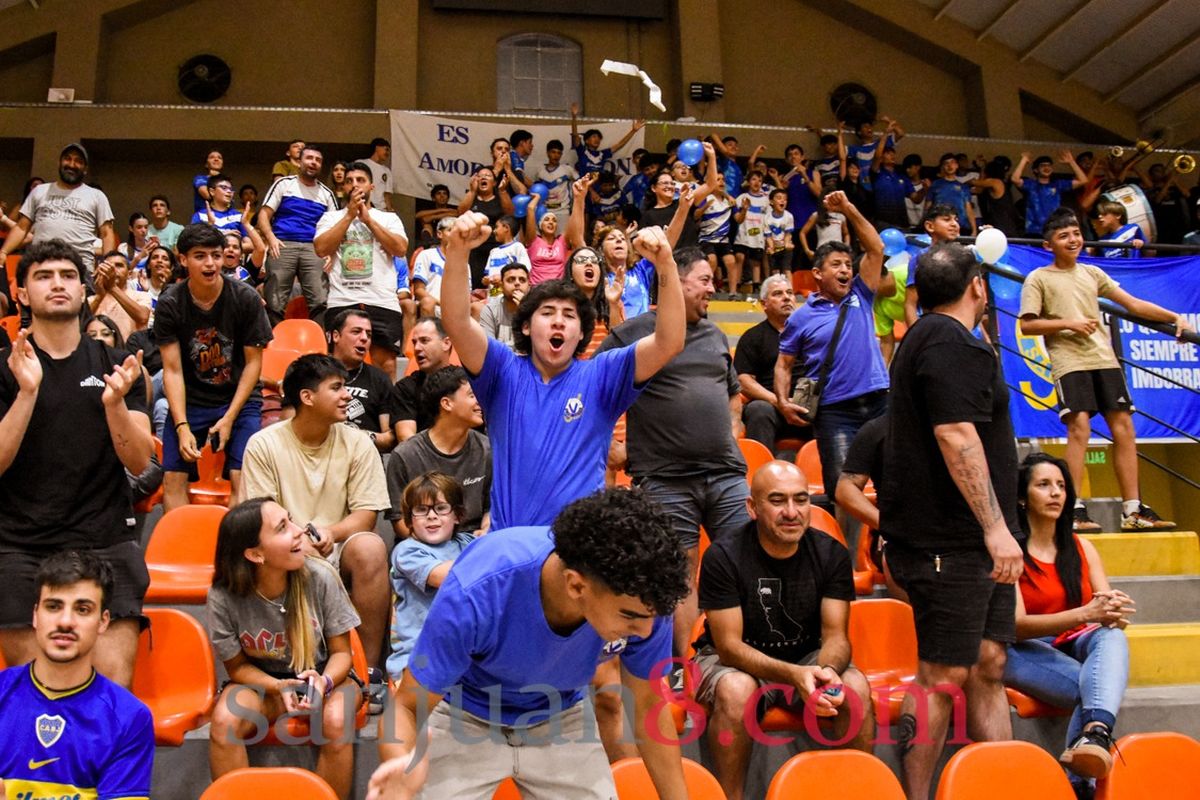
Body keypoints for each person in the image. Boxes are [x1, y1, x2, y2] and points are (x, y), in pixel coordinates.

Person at [369, 488, 692, 800]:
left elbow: (648, 705)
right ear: (576, 586)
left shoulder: (646, 598)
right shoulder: (480, 587)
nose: (645, 632)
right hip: (464, 711)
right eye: (630, 617)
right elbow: (406, 708)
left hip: (561, 712)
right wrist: (402, 769)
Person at [879, 242, 1023, 800]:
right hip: (952, 541)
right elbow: (955, 434)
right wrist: (995, 527)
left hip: (968, 542)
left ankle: (1001, 786)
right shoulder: (947, 340)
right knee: (941, 677)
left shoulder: (933, 336)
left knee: (989, 662)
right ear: (978, 287)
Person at [441, 210, 685, 531]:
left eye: (569, 316)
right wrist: (458, 252)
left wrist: (666, 265)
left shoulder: (601, 375)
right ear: (526, 327)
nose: (558, 321)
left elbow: (669, 341)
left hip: (577, 547)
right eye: (547, 313)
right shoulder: (501, 370)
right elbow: (457, 322)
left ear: (581, 333)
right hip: (512, 543)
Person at [0, 239, 153, 688]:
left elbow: (139, 459)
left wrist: (115, 405)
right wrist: (27, 393)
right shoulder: (5, 369)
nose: (58, 284)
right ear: (22, 293)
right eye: (43, 276)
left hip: (105, 538)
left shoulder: (117, 365)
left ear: (83, 289)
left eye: (68, 275)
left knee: (110, 691)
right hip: (19, 544)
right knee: (38, 693)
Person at [598, 245, 750, 652]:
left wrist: (731, 430)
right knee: (680, 574)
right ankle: (683, 667)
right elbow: (590, 389)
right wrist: (609, 443)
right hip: (665, 479)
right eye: (705, 280)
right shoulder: (633, 333)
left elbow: (733, 394)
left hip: (726, 474)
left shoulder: (715, 334)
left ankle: (742, 656)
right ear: (675, 282)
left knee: (744, 563)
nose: (712, 289)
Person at [696, 461, 873, 800]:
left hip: (807, 658)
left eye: (801, 500)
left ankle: (854, 792)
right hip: (733, 662)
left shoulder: (831, 553)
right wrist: (795, 675)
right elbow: (729, 647)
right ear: (752, 507)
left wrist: (826, 671)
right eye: (777, 501)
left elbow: (836, 636)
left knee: (854, 687)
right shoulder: (724, 555)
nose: (792, 512)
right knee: (736, 690)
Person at [1019, 208, 1190, 531]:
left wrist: (1174, 317)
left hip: (1104, 359)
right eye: (1064, 236)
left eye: (1076, 234)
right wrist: (1069, 323)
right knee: (1080, 427)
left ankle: (1133, 510)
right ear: (1048, 245)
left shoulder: (1092, 272)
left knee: (1123, 427)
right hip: (1070, 362)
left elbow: (1133, 304)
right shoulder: (1038, 278)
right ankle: (1073, 508)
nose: (1073, 240)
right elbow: (1027, 325)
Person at [240, 353, 391, 670]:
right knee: (288, 552)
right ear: (307, 397)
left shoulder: (359, 443)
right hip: (286, 544)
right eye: (336, 388)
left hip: (338, 544)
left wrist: (330, 533)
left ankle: (368, 671)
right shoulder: (263, 444)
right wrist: (299, 540)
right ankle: (293, 668)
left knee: (371, 547)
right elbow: (261, 518)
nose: (347, 395)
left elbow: (366, 515)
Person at [206, 498, 361, 800]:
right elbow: (237, 668)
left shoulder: (320, 576)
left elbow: (343, 654)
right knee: (224, 722)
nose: (299, 530)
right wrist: (279, 686)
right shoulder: (222, 596)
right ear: (255, 554)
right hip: (265, 684)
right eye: (282, 528)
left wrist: (323, 682)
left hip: (327, 678)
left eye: (290, 520)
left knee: (336, 721)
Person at [1003, 453, 1132, 796]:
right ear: (1022, 497)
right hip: (1023, 649)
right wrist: (1087, 614)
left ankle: (1094, 736)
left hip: (1074, 643)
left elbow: (1102, 611)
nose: (1056, 493)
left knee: (1112, 636)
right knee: (1096, 689)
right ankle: (1081, 784)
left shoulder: (1082, 548)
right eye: (1044, 485)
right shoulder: (1009, 550)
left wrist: (1113, 612)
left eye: (1061, 486)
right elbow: (1015, 626)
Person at [774, 192, 888, 552]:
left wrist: (849, 209)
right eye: (836, 264)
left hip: (880, 404)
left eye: (848, 264)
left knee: (896, 481)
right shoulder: (800, 318)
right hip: (835, 413)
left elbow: (876, 248)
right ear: (817, 274)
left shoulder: (861, 295)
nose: (845, 270)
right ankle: (848, 562)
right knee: (843, 490)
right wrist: (782, 401)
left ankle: (891, 549)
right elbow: (784, 364)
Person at [0, 550, 154, 799]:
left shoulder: (129, 717)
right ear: (35, 615)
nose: (65, 622)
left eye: (82, 609)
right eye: (53, 607)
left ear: (103, 621)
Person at [155, 223, 273, 512]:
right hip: (191, 399)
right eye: (200, 256)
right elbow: (172, 370)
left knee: (242, 479)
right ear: (183, 259)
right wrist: (181, 426)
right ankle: (181, 539)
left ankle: (232, 541)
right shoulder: (170, 303)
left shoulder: (245, 298)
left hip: (239, 400)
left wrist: (230, 417)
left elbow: (253, 364)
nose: (210, 263)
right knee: (172, 479)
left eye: (216, 255)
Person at [315, 160, 409, 379]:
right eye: (349, 181)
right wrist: (349, 215)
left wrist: (368, 221)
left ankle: (383, 403)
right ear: (343, 187)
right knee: (338, 368)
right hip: (342, 300)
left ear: (371, 187)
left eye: (361, 180)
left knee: (385, 367)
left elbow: (400, 249)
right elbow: (321, 249)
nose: (355, 185)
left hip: (382, 301)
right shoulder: (331, 217)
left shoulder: (389, 218)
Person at [385, 472, 476, 680]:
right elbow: (444, 577)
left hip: (463, 653)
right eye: (421, 510)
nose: (431, 516)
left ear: (457, 515)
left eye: (441, 508)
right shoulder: (406, 551)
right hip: (418, 656)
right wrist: (486, 560)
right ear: (409, 520)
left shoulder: (467, 543)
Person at [386, 366, 490, 540]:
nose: (481, 401)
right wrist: (433, 544)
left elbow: (491, 507)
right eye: (472, 395)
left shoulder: (487, 449)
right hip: (421, 543)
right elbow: (400, 521)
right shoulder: (405, 455)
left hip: (472, 539)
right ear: (446, 403)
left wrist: (486, 531)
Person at [0, 143, 116, 276]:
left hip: (79, 271)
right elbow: (22, 227)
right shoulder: (39, 191)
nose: (72, 164)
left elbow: (106, 233)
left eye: (78, 161)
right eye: (67, 159)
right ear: (59, 163)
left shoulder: (97, 196)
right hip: (40, 267)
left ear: (85, 169)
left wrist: (108, 264)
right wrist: (3, 252)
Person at [259, 144, 339, 325]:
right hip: (283, 244)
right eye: (309, 158)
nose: (313, 163)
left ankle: (319, 341)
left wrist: (330, 252)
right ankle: (274, 340)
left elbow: (335, 227)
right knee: (274, 301)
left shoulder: (327, 193)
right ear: (300, 162)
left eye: (318, 160)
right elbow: (264, 215)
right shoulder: (284, 184)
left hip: (315, 248)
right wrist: (271, 238)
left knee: (320, 300)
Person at [734, 274, 809, 451]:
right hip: (772, 407)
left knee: (834, 408)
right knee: (758, 410)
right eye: (778, 294)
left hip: (808, 405)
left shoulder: (812, 333)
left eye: (789, 292)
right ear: (764, 304)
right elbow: (743, 380)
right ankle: (760, 467)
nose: (786, 297)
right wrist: (780, 402)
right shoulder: (752, 337)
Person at [328, 309, 397, 452]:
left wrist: (362, 436)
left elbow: (390, 438)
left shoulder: (380, 379)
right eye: (356, 332)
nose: (364, 338)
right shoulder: (313, 373)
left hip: (363, 457)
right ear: (336, 336)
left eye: (369, 334)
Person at [392, 316, 455, 441]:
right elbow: (406, 439)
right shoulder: (405, 387)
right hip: (421, 453)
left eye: (424, 341)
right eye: (414, 342)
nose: (416, 348)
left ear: (446, 343)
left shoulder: (466, 384)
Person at [904, 203, 962, 327]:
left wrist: (985, 337)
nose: (954, 224)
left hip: (967, 329)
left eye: (956, 220)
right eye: (947, 219)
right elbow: (910, 304)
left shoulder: (965, 256)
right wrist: (917, 334)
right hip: (936, 328)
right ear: (930, 226)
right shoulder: (920, 259)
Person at [1013, 151, 1088, 236]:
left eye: (1049, 165)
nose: (1047, 167)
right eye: (1043, 165)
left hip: (1053, 230)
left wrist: (1071, 162)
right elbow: (1015, 179)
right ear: (1036, 170)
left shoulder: (1058, 184)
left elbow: (1083, 180)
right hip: (1033, 230)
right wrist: (1023, 160)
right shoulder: (1031, 184)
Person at [89, 250, 152, 339]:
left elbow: (143, 318)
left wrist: (112, 288)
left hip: (131, 347)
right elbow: (80, 324)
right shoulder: (92, 300)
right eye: (108, 266)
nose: (113, 269)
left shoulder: (142, 296)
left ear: (129, 274)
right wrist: (99, 297)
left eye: (119, 265)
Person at [569, 103, 645, 175]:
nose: (597, 139)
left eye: (599, 138)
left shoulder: (603, 154)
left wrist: (633, 131)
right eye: (594, 137)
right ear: (586, 141)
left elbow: (620, 144)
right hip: (584, 184)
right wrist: (574, 117)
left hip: (599, 184)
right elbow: (575, 135)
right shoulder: (582, 151)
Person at [528, 138, 577, 232]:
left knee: (563, 239)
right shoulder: (540, 170)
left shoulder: (567, 169)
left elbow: (580, 182)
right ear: (547, 153)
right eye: (553, 152)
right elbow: (535, 189)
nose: (556, 155)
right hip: (543, 210)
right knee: (542, 238)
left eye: (559, 153)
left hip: (562, 211)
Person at [411, 216, 455, 317]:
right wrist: (442, 304)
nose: (454, 235)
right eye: (450, 230)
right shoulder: (427, 255)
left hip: (454, 313)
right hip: (432, 307)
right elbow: (418, 290)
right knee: (428, 303)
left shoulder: (464, 264)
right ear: (439, 234)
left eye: (457, 233)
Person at [479, 261, 529, 348]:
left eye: (522, 280)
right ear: (501, 285)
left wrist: (525, 311)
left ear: (528, 286)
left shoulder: (536, 310)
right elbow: (489, 348)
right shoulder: (490, 310)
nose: (517, 283)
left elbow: (539, 345)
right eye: (511, 280)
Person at [522, 193, 568, 285]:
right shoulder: (533, 240)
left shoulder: (562, 241)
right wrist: (537, 198)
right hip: (537, 288)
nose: (551, 222)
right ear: (540, 226)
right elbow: (530, 209)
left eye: (554, 221)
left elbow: (575, 222)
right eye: (547, 220)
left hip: (558, 288)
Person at [927, 153, 977, 236]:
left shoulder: (963, 187)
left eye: (952, 162)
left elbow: (969, 209)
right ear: (943, 167)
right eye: (946, 163)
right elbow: (928, 207)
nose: (949, 165)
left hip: (961, 227)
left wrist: (974, 229)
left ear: (957, 165)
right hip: (940, 227)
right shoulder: (935, 185)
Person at [363, 137, 394, 211]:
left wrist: (390, 211)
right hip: (365, 208)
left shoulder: (387, 171)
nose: (387, 153)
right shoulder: (362, 164)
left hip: (381, 210)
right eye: (386, 149)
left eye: (389, 151)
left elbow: (387, 195)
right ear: (377, 147)